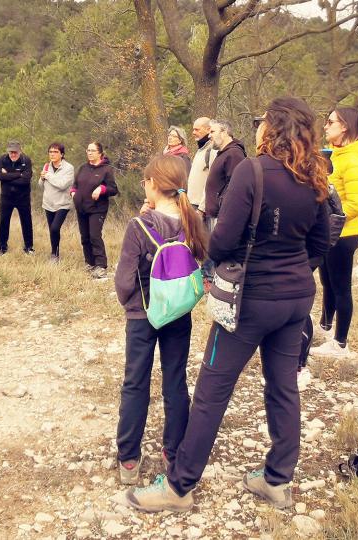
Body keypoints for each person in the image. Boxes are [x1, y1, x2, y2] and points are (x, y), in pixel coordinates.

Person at [127, 96, 331, 512]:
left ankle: (179, 486)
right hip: (295, 301)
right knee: (283, 386)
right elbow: (321, 241)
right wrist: (293, 270)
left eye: (260, 122)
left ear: (271, 129)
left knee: (211, 391)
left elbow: (221, 241)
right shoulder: (315, 176)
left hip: (249, 303)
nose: (255, 128)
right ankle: (277, 479)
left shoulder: (252, 171)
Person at [113, 154, 208, 485]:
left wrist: (131, 304)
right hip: (178, 314)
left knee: (135, 382)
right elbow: (199, 264)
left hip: (143, 315)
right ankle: (174, 450)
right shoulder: (191, 221)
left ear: (152, 185)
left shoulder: (139, 227)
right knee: (175, 381)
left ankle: (128, 459)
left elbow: (124, 279)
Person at [311, 107, 358, 358]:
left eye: (330, 122)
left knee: (341, 287)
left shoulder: (354, 158)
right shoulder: (334, 154)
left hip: (344, 234)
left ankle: (340, 343)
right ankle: (326, 327)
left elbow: (357, 203)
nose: (325, 126)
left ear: (345, 126)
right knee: (327, 283)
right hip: (330, 232)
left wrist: (331, 218)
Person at [71, 141, 119, 279]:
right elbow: (75, 185)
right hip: (81, 207)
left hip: (97, 209)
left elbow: (113, 189)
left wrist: (101, 188)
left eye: (92, 150)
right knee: (84, 237)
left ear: (100, 153)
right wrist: (73, 193)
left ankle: (101, 266)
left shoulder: (106, 169)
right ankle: (90, 263)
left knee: (94, 236)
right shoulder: (83, 168)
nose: (89, 153)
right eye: (88, 150)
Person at [203, 119, 246, 225]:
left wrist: (221, 209)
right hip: (215, 216)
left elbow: (235, 187)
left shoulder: (234, 154)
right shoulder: (223, 154)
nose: (209, 136)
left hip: (222, 218)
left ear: (224, 132)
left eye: (212, 132)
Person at [0, 141, 34, 255]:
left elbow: (26, 180)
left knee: (26, 221)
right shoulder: (2, 159)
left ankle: (29, 247)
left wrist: (8, 176)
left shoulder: (26, 160)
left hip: (23, 197)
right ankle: (2, 247)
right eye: (11, 152)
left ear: (20, 151)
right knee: (4, 221)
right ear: (8, 151)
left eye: (15, 152)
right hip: (6, 197)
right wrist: (18, 174)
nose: (13, 154)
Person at [39, 142, 75, 263]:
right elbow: (40, 185)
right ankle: (55, 253)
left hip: (62, 204)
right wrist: (42, 178)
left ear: (62, 154)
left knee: (55, 228)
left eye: (55, 152)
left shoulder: (68, 168)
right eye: (50, 152)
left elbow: (62, 185)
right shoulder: (46, 166)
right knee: (52, 230)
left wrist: (48, 176)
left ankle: (55, 254)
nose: (52, 154)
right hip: (48, 203)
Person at [186, 117, 216, 215]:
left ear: (208, 129)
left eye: (197, 129)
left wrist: (202, 209)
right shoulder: (200, 150)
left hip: (201, 208)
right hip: (192, 205)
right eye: (193, 129)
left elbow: (211, 182)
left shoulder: (212, 151)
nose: (193, 132)